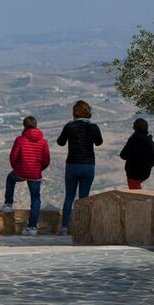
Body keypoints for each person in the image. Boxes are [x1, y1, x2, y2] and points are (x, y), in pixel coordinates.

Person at [57, 100, 103, 235]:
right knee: (84, 198)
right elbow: (99, 142)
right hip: (88, 165)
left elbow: (60, 142)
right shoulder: (94, 127)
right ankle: (83, 228)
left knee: (69, 197)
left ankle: (65, 227)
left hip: (72, 164)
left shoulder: (69, 127)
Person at [0, 116, 51, 236]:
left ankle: (8, 204)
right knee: (35, 199)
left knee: (10, 178)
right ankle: (32, 227)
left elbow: (13, 157)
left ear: (24, 126)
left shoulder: (20, 140)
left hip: (21, 172)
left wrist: (17, 168)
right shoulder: (43, 142)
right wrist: (38, 169)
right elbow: (46, 160)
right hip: (35, 173)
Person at [120, 118, 154, 189]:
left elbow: (123, 155)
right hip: (145, 173)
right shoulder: (151, 142)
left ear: (135, 128)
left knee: (135, 193)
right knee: (137, 189)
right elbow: (153, 160)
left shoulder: (133, 140)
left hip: (133, 173)